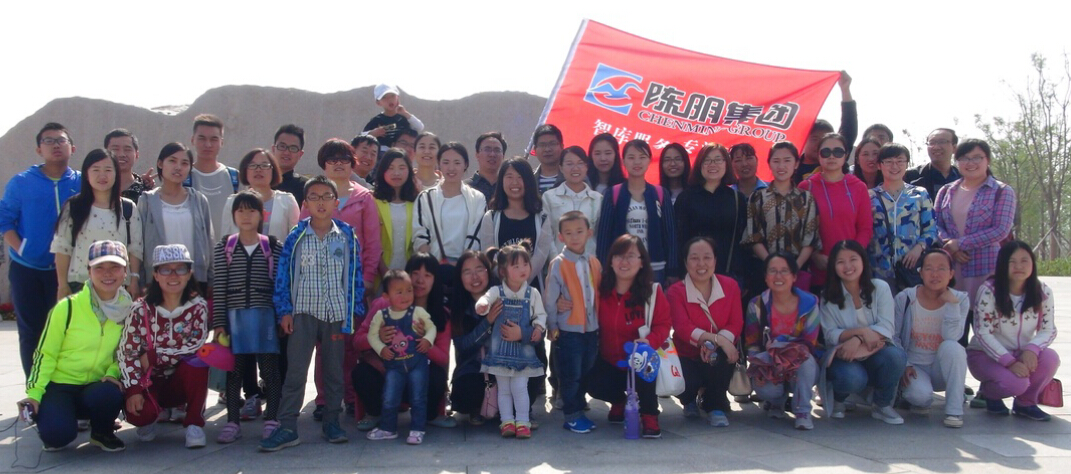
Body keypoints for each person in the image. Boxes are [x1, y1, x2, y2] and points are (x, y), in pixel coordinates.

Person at [261, 176, 366, 452]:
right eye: (315, 197)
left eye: (326, 196)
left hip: (335, 314)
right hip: (303, 313)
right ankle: (287, 426)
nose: (321, 202)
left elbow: (355, 274)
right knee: (296, 372)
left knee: (334, 372)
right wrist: (284, 311)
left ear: (336, 202)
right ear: (305, 203)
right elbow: (283, 277)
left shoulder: (346, 235)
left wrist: (354, 310)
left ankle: (332, 422)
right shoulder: (296, 236)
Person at [21, 240, 132, 452]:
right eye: (99, 267)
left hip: (97, 385)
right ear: (89, 271)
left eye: (114, 267)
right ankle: (57, 417)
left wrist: (112, 373)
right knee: (57, 436)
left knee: (110, 394)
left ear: (125, 272)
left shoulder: (130, 310)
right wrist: (34, 394)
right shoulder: (67, 307)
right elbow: (45, 353)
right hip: (60, 384)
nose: (107, 273)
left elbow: (125, 352)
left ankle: (102, 432)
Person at [1, 122, 82, 377]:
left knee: (68, 332)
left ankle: (63, 391)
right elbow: (5, 220)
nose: (55, 145)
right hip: (28, 270)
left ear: (72, 148)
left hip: (68, 270)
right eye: (48, 141)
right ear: (39, 149)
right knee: (31, 332)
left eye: (61, 140)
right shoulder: (22, 182)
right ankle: (35, 390)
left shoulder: (81, 182)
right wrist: (22, 249)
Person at [120, 244, 211, 448]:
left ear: (189, 273)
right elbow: (128, 352)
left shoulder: (198, 307)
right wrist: (133, 389)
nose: (173, 275)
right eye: (165, 269)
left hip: (180, 382)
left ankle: (194, 423)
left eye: (180, 269)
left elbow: (195, 346)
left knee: (198, 363)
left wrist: (155, 356)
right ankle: (153, 414)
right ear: (155, 274)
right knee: (140, 415)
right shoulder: (140, 309)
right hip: (149, 381)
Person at [211, 192, 284, 443]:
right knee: (235, 372)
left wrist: (282, 316)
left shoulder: (273, 246)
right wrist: (219, 323)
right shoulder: (225, 247)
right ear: (233, 215)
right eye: (240, 210)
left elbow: (280, 285)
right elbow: (219, 287)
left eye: (251, 210)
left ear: (261, 215)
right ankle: (232, 421)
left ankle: (272, 417)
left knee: (270, 370)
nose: (245, 216)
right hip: (235, 318)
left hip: (265, 316)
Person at [354, 254, 454, 431]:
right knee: (362, 373)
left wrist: (423, 340)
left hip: (419, 374)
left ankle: (430, 415)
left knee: (437, 377)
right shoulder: (383, 304)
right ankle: (375, 413)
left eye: (427, 275)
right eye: (415, 273)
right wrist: (377, 337)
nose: (420, 280)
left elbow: (444, 359)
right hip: (387, 372)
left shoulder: (441, 314)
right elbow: (357, 342)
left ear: (435, 280)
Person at [934, 139, 1016, 345]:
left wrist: (961, 244)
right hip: (952, 273)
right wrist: (951, 246)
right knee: (953, 337)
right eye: (964, 158)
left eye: (977, 158)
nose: (970, 163)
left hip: (986, 271)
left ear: (987, 160)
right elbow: (935, 224)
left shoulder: (1002, 191)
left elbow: (1001, 229)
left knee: (988, 339)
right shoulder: (946, 191)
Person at [967, 241, 1060, 421]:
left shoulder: (1043, 292)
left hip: (1022, 353)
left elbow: (1048, 329)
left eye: (1024, 261)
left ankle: (1026, 403)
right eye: (1012, 262)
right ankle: (989, 393)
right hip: (985, 356)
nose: (1019, 266)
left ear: (1032, 263)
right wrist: (1009, 362)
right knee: (1017, 383)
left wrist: (1032, 349)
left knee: (1050, 358)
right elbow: (982, 333)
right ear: (1002, 264)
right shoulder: (989, 291)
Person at [590, 234, 671, 438]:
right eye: (618, 256)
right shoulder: (599, 289)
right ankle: (619, 401)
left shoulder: (652, 292)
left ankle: (649, 414)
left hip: (639, 361)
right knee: (589, 379)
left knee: (645, 360)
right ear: (610, 261)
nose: (624, 262)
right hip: (609, 360)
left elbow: (663, 324)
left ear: (642, 262)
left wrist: (650, 342)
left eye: (631, 256)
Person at [820, 240, 907, 424]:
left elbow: (887, 327)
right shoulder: (828, 296)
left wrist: (858, 339)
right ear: (833, 266)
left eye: (853, 259)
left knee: (896, 357)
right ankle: (839, 398)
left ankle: (881, 405)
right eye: (840, 261)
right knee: (852, 378)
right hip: (845, 355)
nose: (848, 266)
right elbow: (830, 334)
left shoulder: (880, 288)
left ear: (863, 261)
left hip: (876, 350)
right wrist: (860, 332)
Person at [667, 237, 743, 427]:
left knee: (721, 358)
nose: (701, 264)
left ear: (715, 261)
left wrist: (717, 343)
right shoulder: (675, 291)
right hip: (686, 354)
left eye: (707, 257)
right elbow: (682, 327)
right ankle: (688, 400)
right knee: (687, 381)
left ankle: (715, 406)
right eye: (694, 258)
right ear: (685, 262)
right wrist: (717, 340)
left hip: (717, 354)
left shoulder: (730, 286)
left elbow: (736, 322)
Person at [476, 244, 547, 439]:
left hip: (523, 351)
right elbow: (485, 299)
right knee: (504, 389)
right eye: (516, 266)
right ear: (503, 271)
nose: (523, 269)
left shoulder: (532, 293)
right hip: (500, 351)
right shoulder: (497, 291)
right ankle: (507, 421)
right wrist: (482, 305)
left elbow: (541, 315)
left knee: (520, 387)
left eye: (525, 264)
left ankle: (523, 422)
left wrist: (538, 328)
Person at [744, 252, 821, 430]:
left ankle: (802, 411)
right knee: (767, 389)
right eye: (773, 271)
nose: (778, 276)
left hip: (800, 362)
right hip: (770, 364)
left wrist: (779, 342)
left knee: (807, 361)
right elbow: (752, 344)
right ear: (765, 277)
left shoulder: (810, 303)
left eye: (784, 271)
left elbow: (809, 344)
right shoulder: (756, 305)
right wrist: (757, 368)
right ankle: (776, 402)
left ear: (794, 276)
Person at [52, 149, 143, 299]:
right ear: (86, 174)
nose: (102, 175)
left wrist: (134, 280)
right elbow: (62, 247)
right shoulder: (74, 206)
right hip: (80, 284)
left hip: (118, 285)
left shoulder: (127, 208)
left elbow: (135, 248)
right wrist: (62, 285)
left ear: (116, 174)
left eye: (108, 170)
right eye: (96, 170)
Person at [893, 248, 969, 428]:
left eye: (941, 268)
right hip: (914, 367)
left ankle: (954, 410)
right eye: (929, 268)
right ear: (920, 272)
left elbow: (952, 336)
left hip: (942, 368)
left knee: (953, 348)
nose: (935, 274)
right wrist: (904, 364)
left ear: (951, 273)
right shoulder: (905, 298)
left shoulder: (960, 299)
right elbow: (893, 336)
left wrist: (951, 304)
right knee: (920, 397)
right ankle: (917, 400)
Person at [543, 211, 600, 433]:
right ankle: (572, 415)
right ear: (560, 237)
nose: (574, 237)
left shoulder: (594, 262)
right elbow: (550, 299)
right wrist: (552, 325)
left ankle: (579, 405)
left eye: (579, 231)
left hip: (591, 329)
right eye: (568, 233)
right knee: (570, 373)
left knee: (586, 370)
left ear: (589, 233)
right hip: (568, 330)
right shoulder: (559, 264)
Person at [364, 270, 436, 445]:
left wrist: (427, 339)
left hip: (417, 364)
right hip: (394, 366)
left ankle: (417, 430)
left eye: (409, 290)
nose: (406, 296)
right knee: (389, 397)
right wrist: (381, 348)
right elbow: (371, 335)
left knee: (418, 397)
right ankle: (388, 428)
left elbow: (431, 327)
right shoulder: (382, 316)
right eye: (399, 292)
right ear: (386, 296)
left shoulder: (417, 312)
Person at [596, 139, 678, 284]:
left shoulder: (660, 193)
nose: (637, 162)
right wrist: (603, 268)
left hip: (654, 266)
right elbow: (604, 235)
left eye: (642, 157)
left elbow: (670, 234)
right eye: (631, 157)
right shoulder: (613, 193)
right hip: (621, 266)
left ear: (649, 160)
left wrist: (672, 270)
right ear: (623, 161)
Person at [799, 133, 873, 290]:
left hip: (851, 270)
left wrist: (850, 258)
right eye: (826, 152)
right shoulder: (806, 187)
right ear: (818, 155)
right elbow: (800, 229)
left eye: (838, 152)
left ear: (846, 155)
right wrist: (815, 255)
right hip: (819, 268)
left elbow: (865, 228)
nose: (831, 156)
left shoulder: (859, 187)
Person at [741, 142, 820, 290]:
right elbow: (753, 237)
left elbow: (810, 239)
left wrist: (794, 268)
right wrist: (772, 266)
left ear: (796, 164)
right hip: (764, 270)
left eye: (787, 160)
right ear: (769, 164)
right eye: (776, 161)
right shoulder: (757, 198)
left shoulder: (806, 198)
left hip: (797, 270)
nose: (781, 166)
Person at [138, 142, 214, 294]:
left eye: (184, 163)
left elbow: (209, 241)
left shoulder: (199, 200)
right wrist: (140, 280)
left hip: (194, 281)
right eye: (172, 161)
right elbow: (138, 244)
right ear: (160, 163)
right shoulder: (147, 201)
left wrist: (211, 278)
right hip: (158, 280)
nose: (178, 167)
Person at [869, 143, 938, 293]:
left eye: (900, 161)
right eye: (889, 161)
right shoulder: (870, 196)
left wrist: (919, 248)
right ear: (879, 165)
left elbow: (931, 229)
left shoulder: (920, 194)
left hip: (911, 268)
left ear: (907, 164)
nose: (895, 166)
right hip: (878, 269)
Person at [673, 144, 747, 279]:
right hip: (694, 272)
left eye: (718, 159)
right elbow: (679, 239)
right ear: (699, 165)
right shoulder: (686, 198)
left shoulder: (737, 199)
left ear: (726, 164)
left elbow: (742, 240)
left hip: (729, 273)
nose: (713, 164)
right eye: (707, 160)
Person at [478, 158, 553, 288]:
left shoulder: (542, 218)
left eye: (520, 177)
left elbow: (541, 254)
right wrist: (507, 280)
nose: (515, 182)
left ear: (529, 181)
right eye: (509, 177)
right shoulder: (491, 217)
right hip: (500, 289)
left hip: (532, 289)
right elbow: (489, 254)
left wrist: (521, 280)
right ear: (501, 181)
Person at [412, 142, 487, 265]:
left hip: (466, 269)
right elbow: (420, 235)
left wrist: (462, 266)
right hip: (434, 267)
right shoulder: (425, 197)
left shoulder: (478, 198)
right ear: (439, 164)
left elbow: (476, 236)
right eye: (446, 162)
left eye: (457, 163)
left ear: (465, 164)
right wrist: (430, 265)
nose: (451, 168)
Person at [448, 251, 499, 425]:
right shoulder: (458, 307)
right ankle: (476, 408)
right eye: (467, 272)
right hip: (474, 368)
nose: (474, 277)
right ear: (460, 277)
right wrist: (487, 322)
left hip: (503, 365)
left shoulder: (502, 297)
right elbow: (463, 347)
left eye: (479, 269)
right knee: (467, 387)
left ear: (488, 271)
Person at [218, 149, 301, 241]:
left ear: (273, 170)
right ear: (245, 170)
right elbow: (225, 240)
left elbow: (297, 239)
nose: (258, 169)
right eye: (252, 165)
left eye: (264, 165)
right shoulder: (232, 202)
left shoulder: (287, 201)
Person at [794, 72, 857, 182]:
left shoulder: (837, 161)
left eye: (823, 141)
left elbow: (849, 127)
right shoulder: (790, 166)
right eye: (815, 139)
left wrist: (845, 90)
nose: (819, 144)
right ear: (804, 141)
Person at [542, 146, 602, 256]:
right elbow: (547, 235)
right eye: (569, 164)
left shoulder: (598, 199)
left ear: (586, 167)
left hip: (589, 262)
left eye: (580, 163)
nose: (575, 168)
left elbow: (601, 236)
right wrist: (556, 261)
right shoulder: (549, 197)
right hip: (559, 261)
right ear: (561, 168)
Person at [187, 114, 239, 237]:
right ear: (192, 140)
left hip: (229, 248)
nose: (208, 144)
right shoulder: (183, 177)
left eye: (214, 139)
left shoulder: (235, 178)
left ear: (222, 142)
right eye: (202, 138)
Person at [374, 148, 419, 275]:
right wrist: (384, 271)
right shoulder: (373, 201)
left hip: (409, 272)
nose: (396, 173)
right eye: (391, 168)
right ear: (382, 171)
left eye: (402, 168)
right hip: (380, 273)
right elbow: (371, 242)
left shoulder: (417, 201)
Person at [363, 84, 425, 151]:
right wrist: (372, 133)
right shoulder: (377, 120)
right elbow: (361, 137)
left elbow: (419, 127)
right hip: (383, 154)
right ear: (378, 102)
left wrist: (405, 113)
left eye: (392, 96)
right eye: (384, 97)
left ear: (397, 97)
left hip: (402, 153)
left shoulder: (404, 118)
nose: (390, 100)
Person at [905, 128, 961, 201]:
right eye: (932, 143)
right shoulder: (911, 177)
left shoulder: (964, 177)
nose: (936, 147)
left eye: (942, 142)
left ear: (954, 148)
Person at [105, 128, 153, 202]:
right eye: (115, 149)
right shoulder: (96, 189)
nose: (121, 154)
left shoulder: (147, 194)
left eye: (127, 149)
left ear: (137, 154)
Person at [272, 124, 309, 206]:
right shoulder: (262, 181)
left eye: (293, 148)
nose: (286, 152)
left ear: (300, 154)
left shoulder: (306, 187)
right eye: (282, 146)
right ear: (273, 149)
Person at [467, 132, 506, 201]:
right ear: (477, 154)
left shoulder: (508, 187)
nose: (492, 154)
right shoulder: (465, 187)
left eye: (497, 150)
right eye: (487, 149)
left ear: (503, 156)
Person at [532, 124, 565, 195]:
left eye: (552, 144)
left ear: (562, 146)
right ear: (535, 149)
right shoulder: (528, 179)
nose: (547, 149)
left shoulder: (573, 177)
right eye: (542, 145)